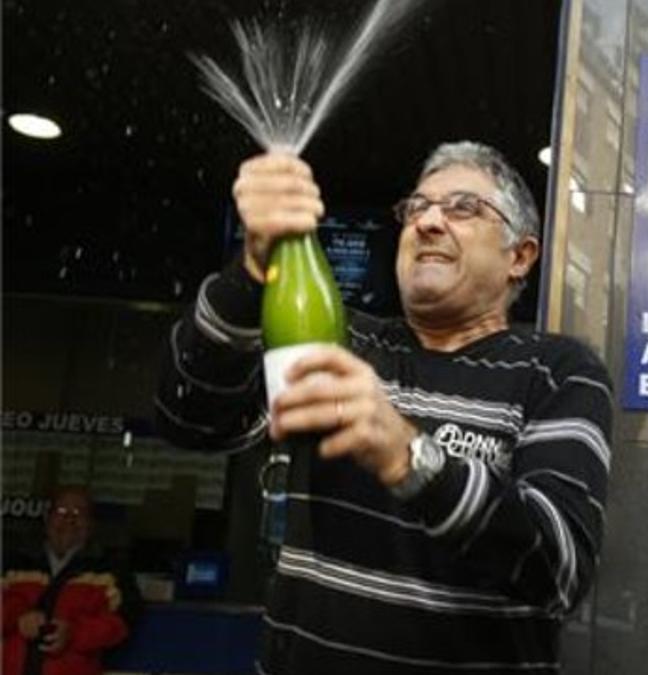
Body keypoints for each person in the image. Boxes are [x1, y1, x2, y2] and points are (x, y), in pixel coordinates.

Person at [156, 141, 614, 673]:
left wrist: (410, 456)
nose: (428, 222)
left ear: (520, 256)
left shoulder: (558, 372)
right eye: (416, 207)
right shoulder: (341, 339)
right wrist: (250, 270)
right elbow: (190, 419)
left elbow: (560, 571)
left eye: (463, 207)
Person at [2, 486, 142, 675]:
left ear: (91, 524)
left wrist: (74, 633)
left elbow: (123, 621)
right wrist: (18, 618)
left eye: (79, 513)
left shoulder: (110, 572)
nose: (69, 519)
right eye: (61, 511)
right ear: (47, 519)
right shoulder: (13, 563)